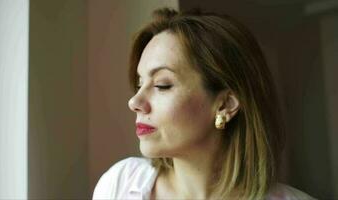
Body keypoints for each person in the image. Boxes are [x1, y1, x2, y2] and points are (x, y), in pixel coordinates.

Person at [92, 7, 316, 200]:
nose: (134, 102)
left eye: (162, 85)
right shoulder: (119, 184)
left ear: (225, 104)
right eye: (140, 83)